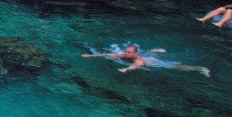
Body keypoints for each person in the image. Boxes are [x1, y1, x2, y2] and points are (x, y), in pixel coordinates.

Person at [82, 44, 210, 76]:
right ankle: (154, 51)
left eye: (129, 52)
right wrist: (92, 56)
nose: (126, 53)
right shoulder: (122, 55)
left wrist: (126, 69)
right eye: (126, 51)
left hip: (152, 63)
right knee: (152, 54)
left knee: (171, 66)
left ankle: (199, 68)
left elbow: (136, 66)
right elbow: (107, 54)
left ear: (135, 53)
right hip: (144, 57)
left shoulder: (139, 61)